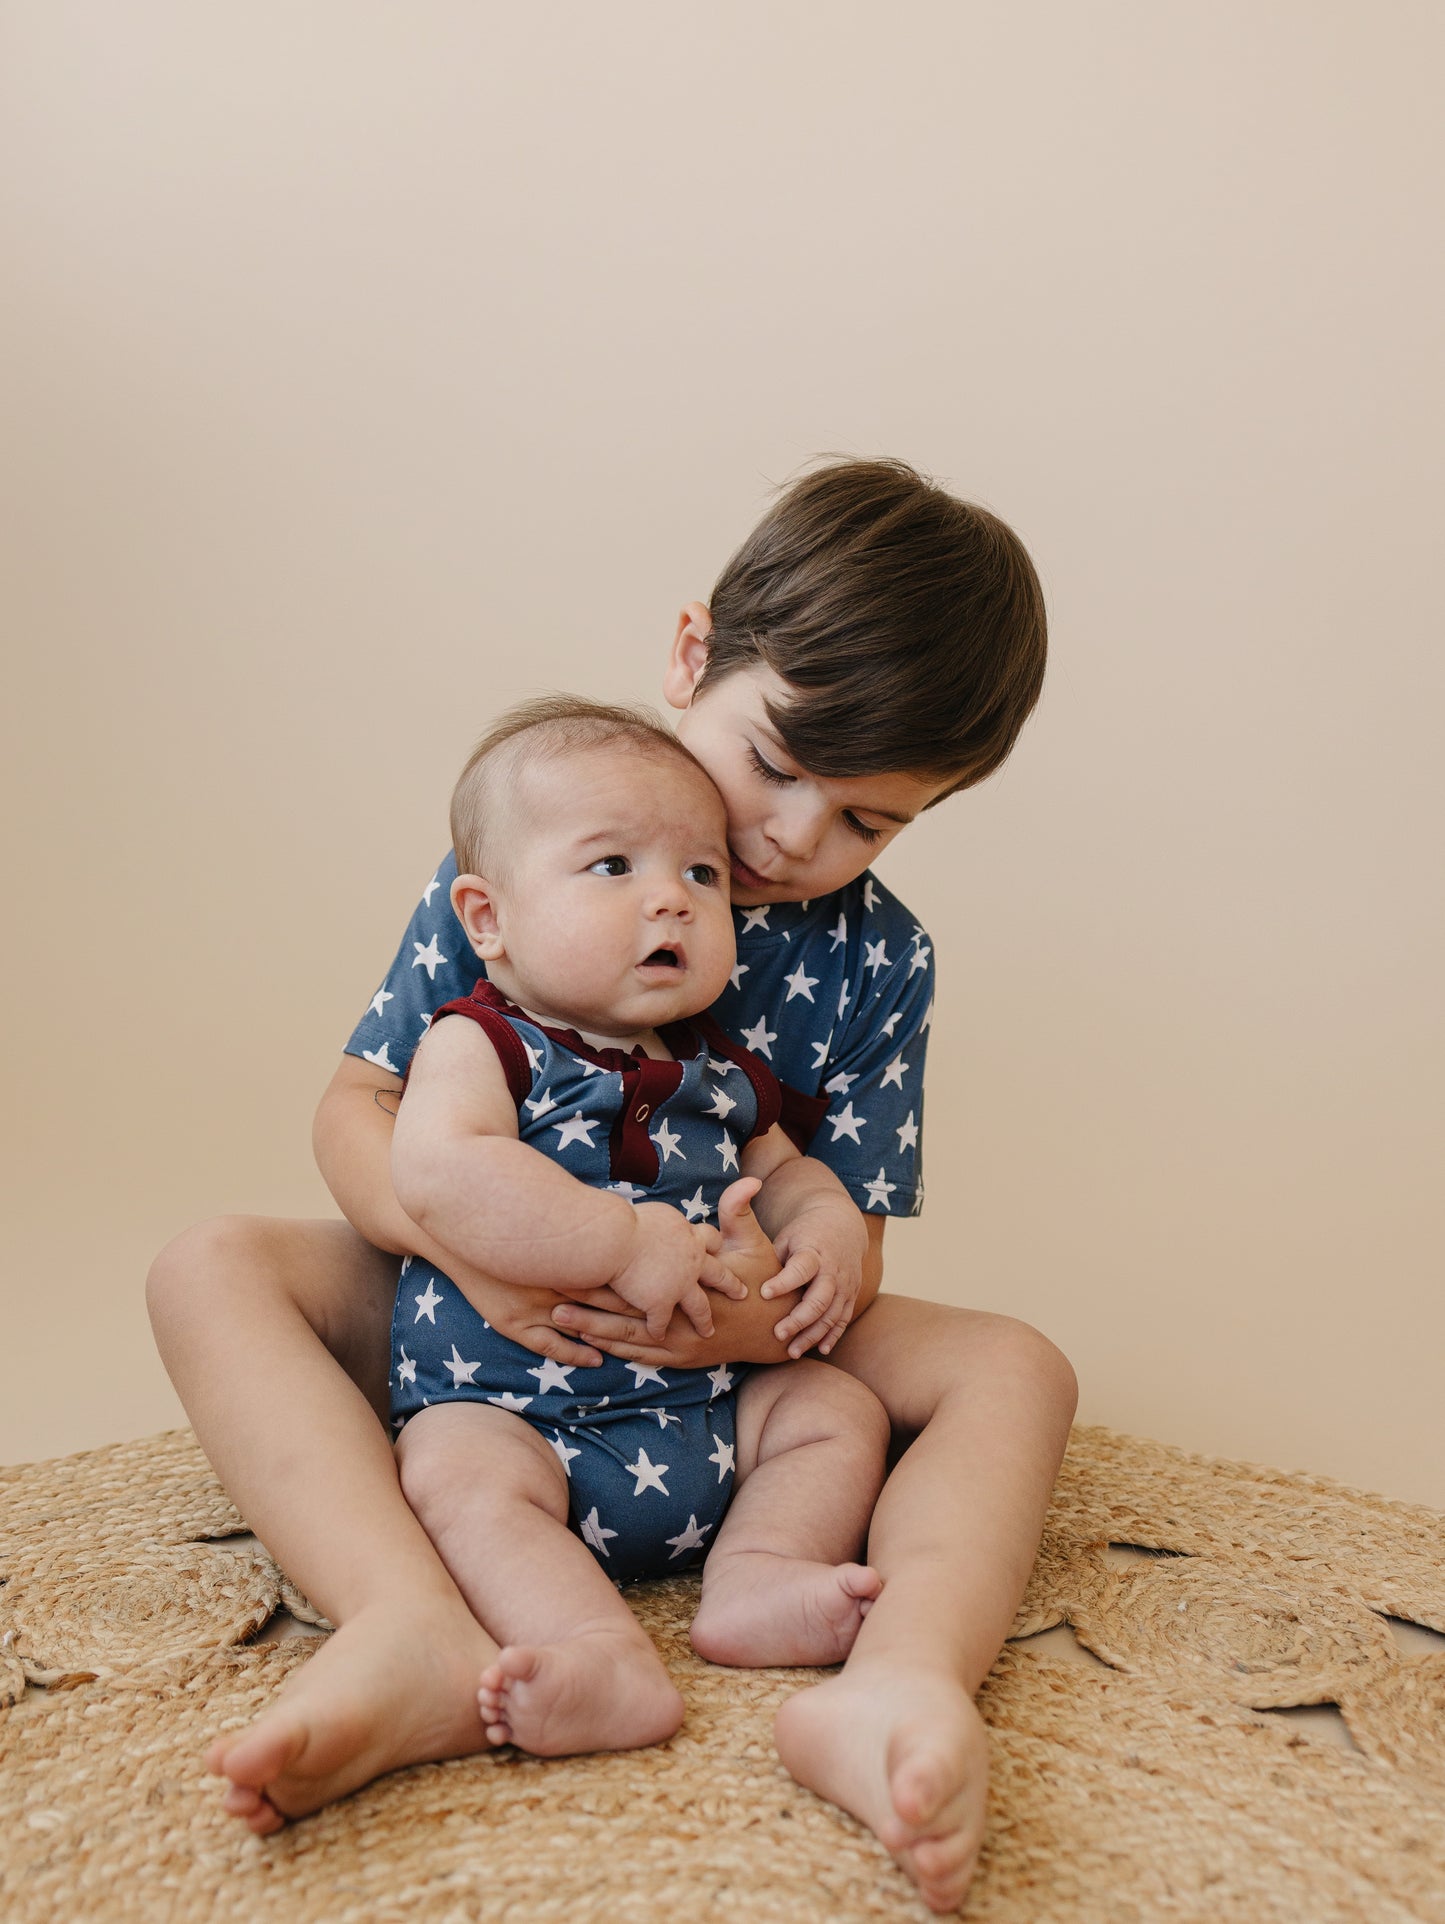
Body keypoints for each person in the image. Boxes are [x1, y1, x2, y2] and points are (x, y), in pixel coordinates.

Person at [148, 457, 1079, 1915]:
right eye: (775, 765)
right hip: (485, 1320)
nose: (789, 841)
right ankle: (408, 1622)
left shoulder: (877, 959)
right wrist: (480, 1250)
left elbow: (842, 1221)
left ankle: (896, 1684)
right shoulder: (546, 831)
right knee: (210, 1266)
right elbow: (360, 1113)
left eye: (868, 820)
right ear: (693, 655)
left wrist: (753, 1319)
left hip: (720, 1337)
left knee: (1014, 1366)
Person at [388, 696, 893, 1757]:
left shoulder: (712, 1068)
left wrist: (826, 1225)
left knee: (832, 1409)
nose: (669, 900)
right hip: (523, 1416)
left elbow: (784, 1168)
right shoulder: (486, 1043)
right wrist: (621, 1242)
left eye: (700, 875)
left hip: (707, 1409)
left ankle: (756, 1576)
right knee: (447, 1468)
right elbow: (439, 1170)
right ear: (487, 918)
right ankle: (591, 1648)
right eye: (612, 868)